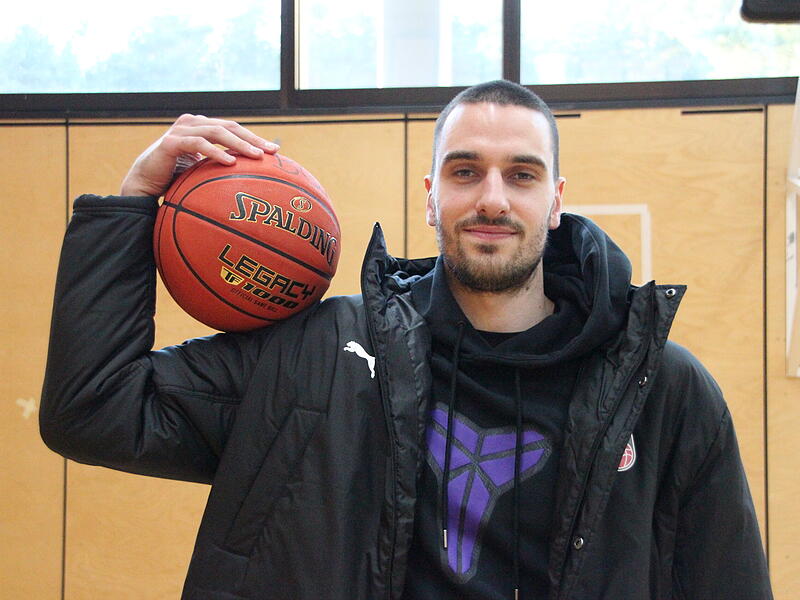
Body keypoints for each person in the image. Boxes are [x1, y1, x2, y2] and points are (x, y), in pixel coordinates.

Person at [40, 80, 772, 600]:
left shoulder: (662, 387)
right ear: (430, 196)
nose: (492, 198)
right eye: (465, 172)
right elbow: (95, 408)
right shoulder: (318, 355)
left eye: (521, 175)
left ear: (555, 201)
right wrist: (134, 206)